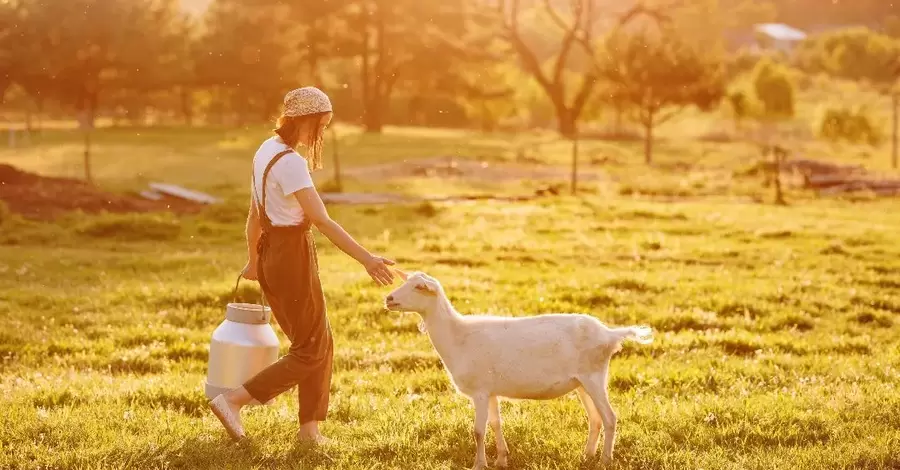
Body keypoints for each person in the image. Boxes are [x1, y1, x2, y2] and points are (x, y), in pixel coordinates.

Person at [208, 86, 396, 443]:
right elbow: (322, 220)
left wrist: (253, 259)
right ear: (305, 120)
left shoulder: (266, 150)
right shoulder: (291, 162)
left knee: (319, 341)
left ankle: (309, 430)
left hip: (271, 253)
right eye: (321, 125)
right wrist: (367, 259)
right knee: (310, 348)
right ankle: (234, 401)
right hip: (291, 255)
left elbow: (254, 214)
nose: (322, 133)